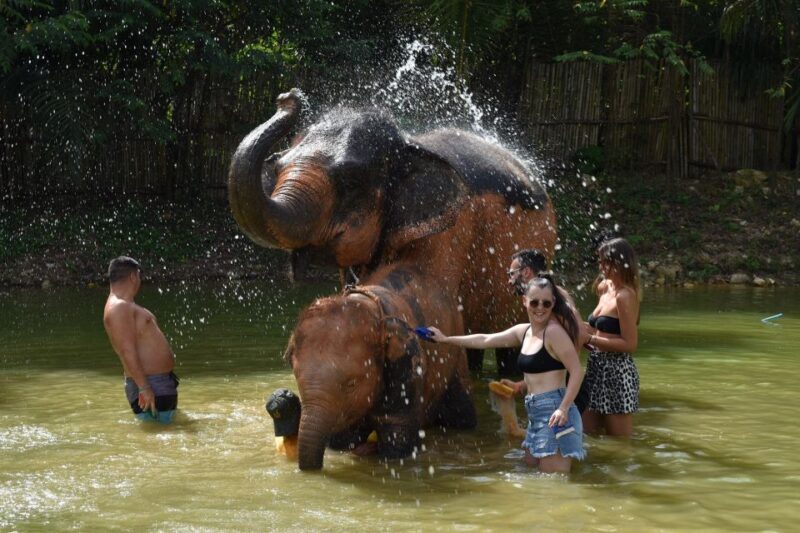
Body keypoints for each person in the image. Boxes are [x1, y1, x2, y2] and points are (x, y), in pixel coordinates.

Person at [429, 274, 586, 473]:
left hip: (556, 412)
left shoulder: (554, 333)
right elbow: (485, 340)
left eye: (546, 304)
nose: (540, 308)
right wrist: (445, 339)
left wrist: (563, 409)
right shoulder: (524, 332)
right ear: (524, 301)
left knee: (553, 486)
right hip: (536, 414)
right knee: (533, 476)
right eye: (534, 302)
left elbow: (577, 371)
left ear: (553, 304)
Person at [506, 249, 590, 413]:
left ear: (526, 272)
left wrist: (565, 373)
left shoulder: (555, 295)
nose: (509, 281)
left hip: (566, 390)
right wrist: (524, 384)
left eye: (511, 274)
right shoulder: (538, 300)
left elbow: (580, 334)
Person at [103, 256, 178, 423]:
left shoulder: (124, 306)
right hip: (150, 384)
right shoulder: (119, 307)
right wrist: (144, 388)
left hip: (156, 383)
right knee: (158, 440)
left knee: (163, 437)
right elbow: (126, 350)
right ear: (133, 276)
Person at [581, 237, 641, 437]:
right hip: (595, 368)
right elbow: (594, 328)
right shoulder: (604, 288)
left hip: (617, 373)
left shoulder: (625, 296)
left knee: (619, 445)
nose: (601, 266)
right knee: (585, 434)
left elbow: (630, 344)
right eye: (600, 261)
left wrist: (590, 340)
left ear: (620, 263)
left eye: (606, 261)